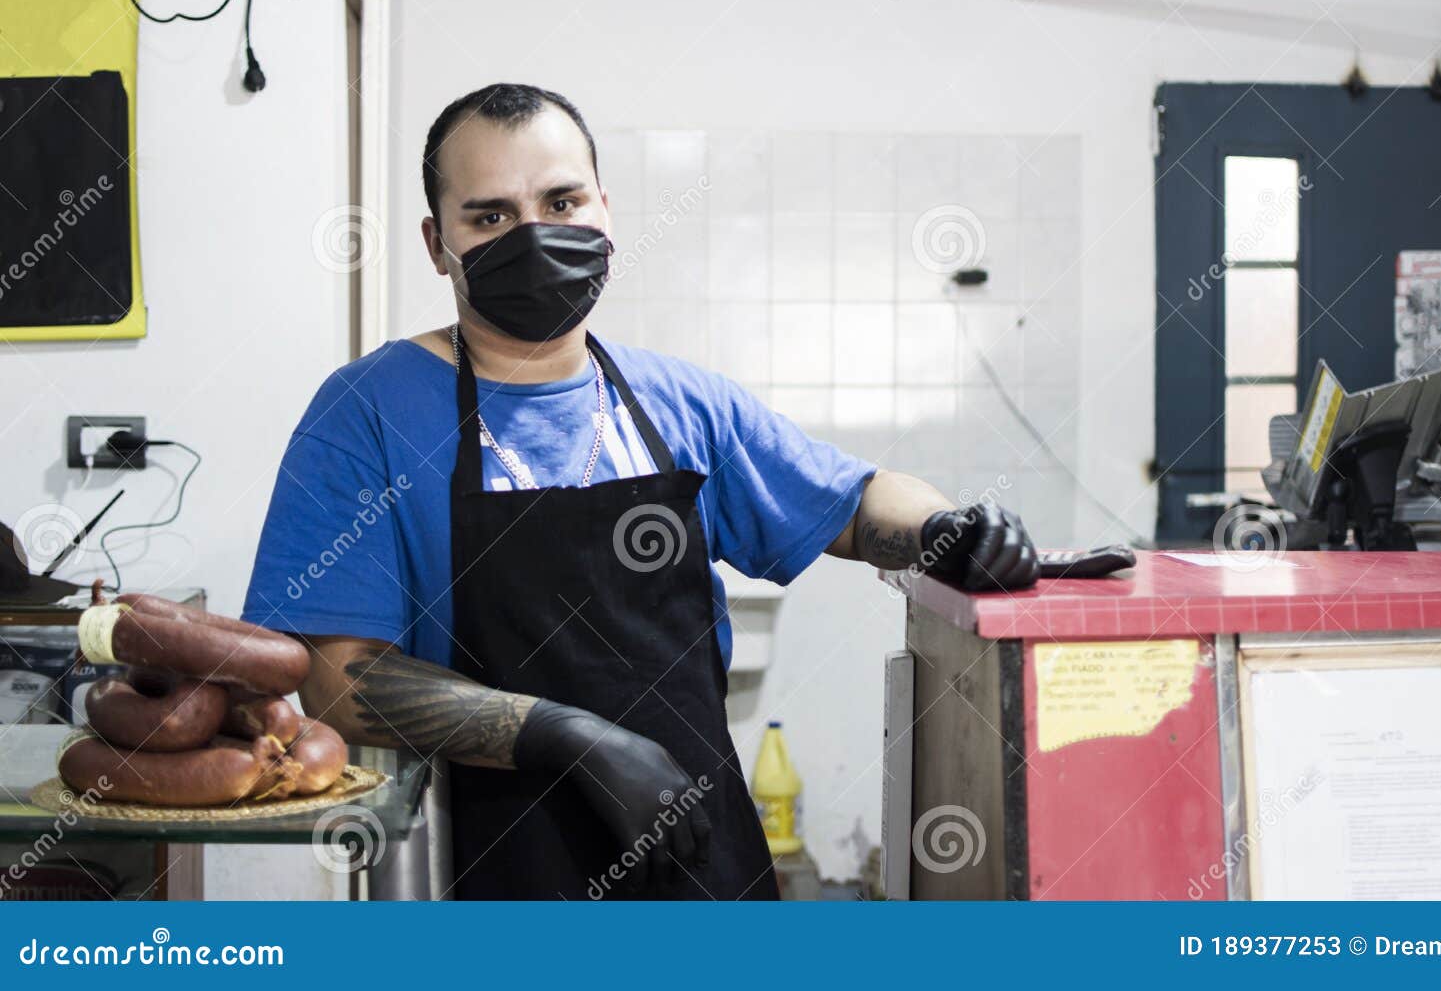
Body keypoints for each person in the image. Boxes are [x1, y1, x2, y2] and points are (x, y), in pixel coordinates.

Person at [243, 82, 1039, 899]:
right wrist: (565, 735)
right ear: (436, 241)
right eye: (491, 216)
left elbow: (857, 501)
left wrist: (948, 527)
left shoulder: (680, 403)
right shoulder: (367, 412)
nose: (536, 236)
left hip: (698, 852)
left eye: (562, 200)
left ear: (605, 209)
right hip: (493, 866)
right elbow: (340, 681)